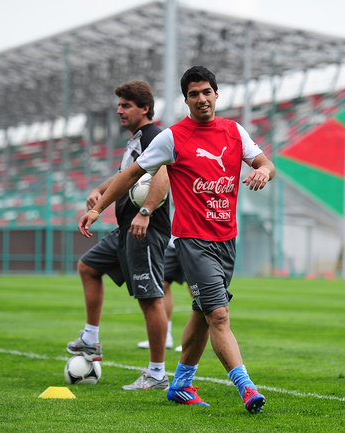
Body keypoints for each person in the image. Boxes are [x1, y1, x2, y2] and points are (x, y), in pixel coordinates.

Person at [78, 66, 276, 413]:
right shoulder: (172, 137)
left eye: (206, 92)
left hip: (227, 240)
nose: (201, 99)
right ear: (185, 100)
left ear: (216, 94)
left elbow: (266, 163)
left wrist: (262, 170)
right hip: (192, 241)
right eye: (193, 94)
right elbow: (132, 174)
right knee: (219, 315)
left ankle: (181, 384)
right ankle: (247, 387)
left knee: (202, 314)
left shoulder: (234, 132)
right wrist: (98, 209)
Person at [67, 80, 172, 391]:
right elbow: (126, 176)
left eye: (126, 105)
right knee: (88, 266)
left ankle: (156, 374)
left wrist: (145, 211)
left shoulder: (154, 137)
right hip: (125, 228)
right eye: (119, 105)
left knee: (150, 299)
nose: (119, 111)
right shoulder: (136, 140)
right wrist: (100, 192)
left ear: (145, 108)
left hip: (144, 229)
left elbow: (163, 174)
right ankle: (90, 339)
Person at [137, 239, 192, 352]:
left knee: (195, 289)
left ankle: (193, 341)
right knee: (162, 285)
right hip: (174, 244)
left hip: (193, 244)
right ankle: (165, 336)